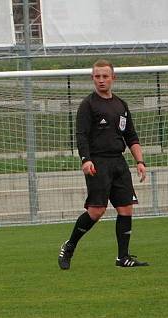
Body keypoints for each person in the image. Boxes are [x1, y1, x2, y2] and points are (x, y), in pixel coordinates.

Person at [58, 59, 149, 270]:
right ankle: (69, 246)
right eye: (97, 76)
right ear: (92, 78)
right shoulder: (87, 105)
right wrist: (85, 159)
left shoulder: (121, 105)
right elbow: (81, 136)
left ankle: (123, 257)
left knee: (126, 209)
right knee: (96, 212)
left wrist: (140, 161)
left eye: (105, 76)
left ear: (113, 78)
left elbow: (131, 136)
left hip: (119, 162)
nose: (101, 80)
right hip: (98, 163)